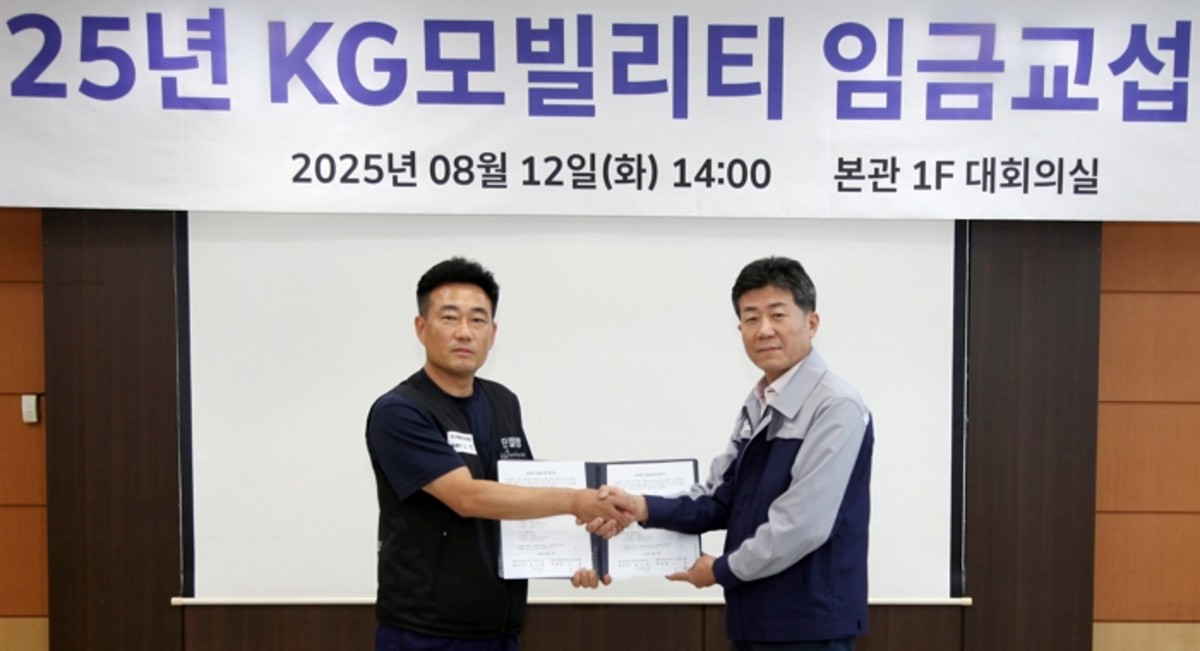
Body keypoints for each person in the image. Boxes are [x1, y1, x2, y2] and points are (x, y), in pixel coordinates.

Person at [602, 256, 874, 651]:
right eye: (751, 318)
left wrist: (720, 569)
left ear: (811, 323)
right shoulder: (759, 402)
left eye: (777, 314)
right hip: (755, 618)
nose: (764, 330)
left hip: (808, 625)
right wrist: (642, 507)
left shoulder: (836, 406)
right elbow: (720, 497)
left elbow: (802, 524)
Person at [365, 257, 633, 651]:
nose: (464, 332)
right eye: (449, 318)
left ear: (492, 334)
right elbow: (466, 497)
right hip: (426, 632)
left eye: (478, 320)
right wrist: (577, 501)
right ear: (421, 328)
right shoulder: (399, 411)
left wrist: (579, 556)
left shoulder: (502, 401)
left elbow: (521, 496)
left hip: (501, 627)